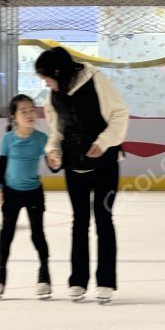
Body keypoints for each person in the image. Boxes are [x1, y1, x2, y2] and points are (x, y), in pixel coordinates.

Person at [37, 46, 129, 304]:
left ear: (59, 72)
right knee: (79, 222)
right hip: (73, 167)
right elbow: (56, 130)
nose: (45, 82)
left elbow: (119, 114)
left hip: (106, 165)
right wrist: (53, 150)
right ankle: (78, 281)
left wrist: (104, 142)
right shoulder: (54, 94)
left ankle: (105, 282)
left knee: (103, 219)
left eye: (47, 77)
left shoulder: (96, 80)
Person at [0, 95, 52, 300]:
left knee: (37, 234)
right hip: (11, 193)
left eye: (32, 110)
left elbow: (53, 165)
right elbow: (1, 165)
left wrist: (54, 161)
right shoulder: (8, 138)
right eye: (23, 111)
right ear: (14, 116)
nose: (29, 114)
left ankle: (44, 275)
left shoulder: (42, 138)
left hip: (34, 192)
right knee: (6, 235)